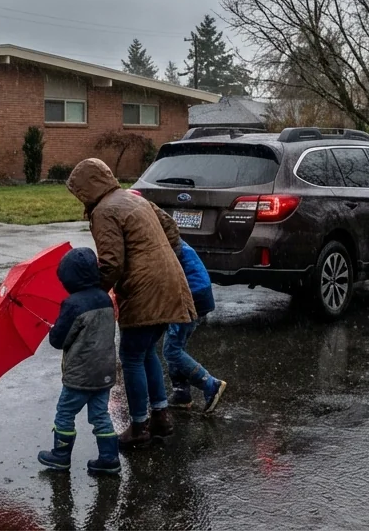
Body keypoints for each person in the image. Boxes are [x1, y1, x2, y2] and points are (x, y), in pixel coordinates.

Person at [67, 158, 196, 449]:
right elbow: (171, 229)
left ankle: (139, 426)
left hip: (144, 289)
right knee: (147, 350)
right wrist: (163, 261)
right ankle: (160, 415)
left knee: (131, 356)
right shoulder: (131, 198)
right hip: (171, 281)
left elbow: (111, 263)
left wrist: (93, 296)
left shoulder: (104, 211)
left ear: (88, 188)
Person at [37, 247, 120, 475]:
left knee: (65, 413)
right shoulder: (104, 298)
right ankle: (109, 458)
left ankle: (61, 456)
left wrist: (54, 329)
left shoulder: (73, 304)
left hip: (79, 375)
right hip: (104, 372)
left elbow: (59, 340)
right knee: (100, 415)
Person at [165, 240, 227, 414]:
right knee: (176, 346)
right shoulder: (173, 239)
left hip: (191, 295)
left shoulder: (165, 243)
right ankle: (181, 393)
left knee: (172, 350)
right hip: (200, 293)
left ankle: (210, 384)